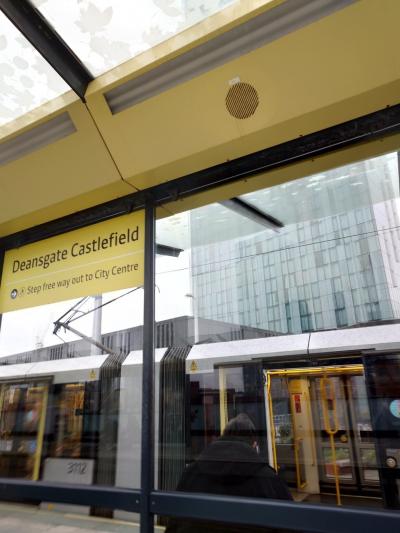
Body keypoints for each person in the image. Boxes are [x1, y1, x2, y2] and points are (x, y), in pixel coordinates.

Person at [165, 413, 293, 533]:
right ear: (254, 444)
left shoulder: (191, 473)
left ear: (223, 437)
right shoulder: (269, 480)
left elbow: (174, 524)